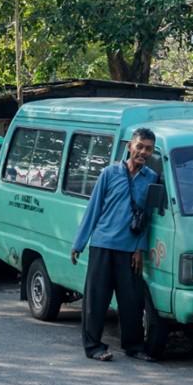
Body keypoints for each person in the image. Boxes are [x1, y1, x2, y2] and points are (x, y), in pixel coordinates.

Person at [70, 128, 158, 362]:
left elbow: (147, 218)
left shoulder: (151, 179)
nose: (143, 152)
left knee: (132, 301)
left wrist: (139, 248)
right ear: (130, 146)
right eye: (139, 146)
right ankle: (93, 346)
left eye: (148, 149)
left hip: (129, 250)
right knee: (96, 300)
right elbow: (93, 209)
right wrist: (79, 243)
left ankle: (134, 346)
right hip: (102, 245)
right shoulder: (109, 173)